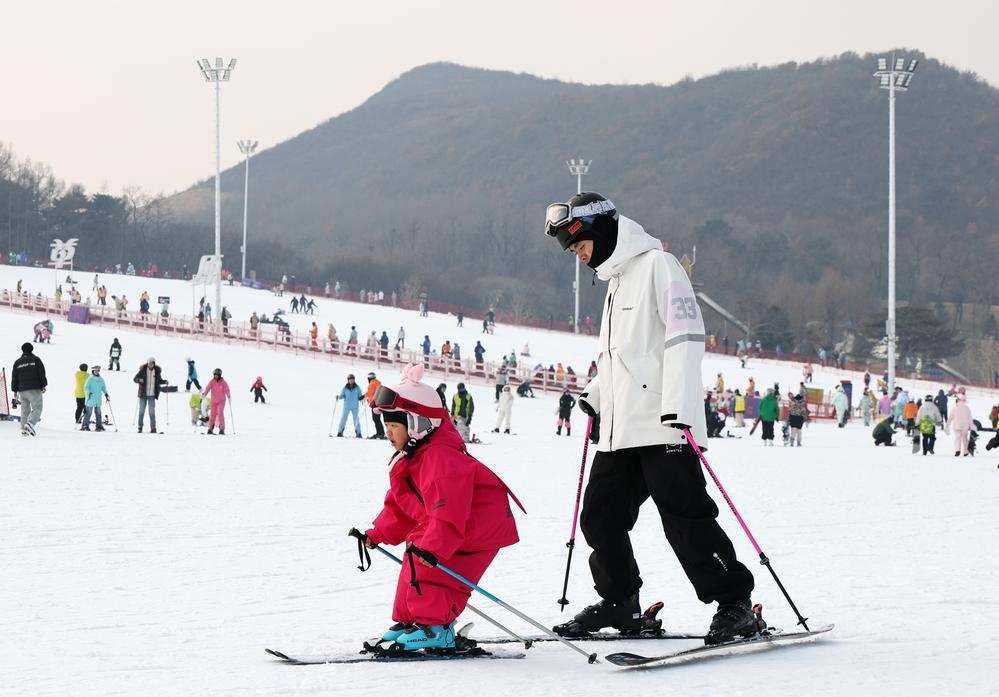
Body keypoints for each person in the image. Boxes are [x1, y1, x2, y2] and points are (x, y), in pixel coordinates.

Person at [544, 191, 755, 643]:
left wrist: (678, 405)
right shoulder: (617, 281)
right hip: (620, 429)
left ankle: (735, 604)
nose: (579, 258)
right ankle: (621, 602)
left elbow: (684, 336)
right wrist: (596, 394)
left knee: (685, 518)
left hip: (663, 422)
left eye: (579, 247)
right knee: (600, 517)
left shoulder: (659, 266)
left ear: (597, 232)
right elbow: (624, 358)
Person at [360, 363, 523, 652]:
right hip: (457, 526)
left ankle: (436, 629)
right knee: (415, 555)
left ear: (419, 425)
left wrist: (433, 547)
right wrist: (377, 533)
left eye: (395, 425)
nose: (388, 433)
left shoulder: (440, 459)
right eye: (386, 425)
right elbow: (401, 506)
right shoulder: (412, 457)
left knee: (434, 571)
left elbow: (450, 510)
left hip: (479, 529)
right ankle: (412, 621)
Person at [11, 342, 47, 435]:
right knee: (37, 408)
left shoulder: (17, 362)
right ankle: (30, 424)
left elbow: (14, 377)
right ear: (32, 349)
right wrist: (43, 385)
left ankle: (24, 429)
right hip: (34, 388)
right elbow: (41, 373)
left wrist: (15, 391)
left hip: (22, 390)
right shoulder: (36, 360)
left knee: (25, 410)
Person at [133, 357, 167, 434]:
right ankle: (140, 427)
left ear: (154, 363)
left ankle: (153, 428)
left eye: (151, 363)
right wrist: (139, 380)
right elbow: (135, 379)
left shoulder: (157, 371)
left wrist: (165, 381)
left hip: (152, 395)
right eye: (149, 363)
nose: (150, 364)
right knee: (141, 411)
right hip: (143, 395)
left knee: (152, 412)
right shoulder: (143, 370)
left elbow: (159, 381)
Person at [202, 368, 231, 435]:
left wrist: (229, 396)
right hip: (213, 401)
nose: (216, 376)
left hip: (221, 401)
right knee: (212, 415)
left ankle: (222, 429)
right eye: (215, 375)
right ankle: (210, 428)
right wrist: (204, 394)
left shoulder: (223, 382)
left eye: (217, 375)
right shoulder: (212, 381)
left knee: (220, 413)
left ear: (220, 375)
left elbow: (227, 390)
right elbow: (207, 388)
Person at [80, 365, 109, 431]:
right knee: (88, 413)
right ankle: (85, 425)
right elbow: (86, 388)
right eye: (95, 370)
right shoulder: (90, 379)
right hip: (90, 398)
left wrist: (106, 394)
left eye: (98, 370)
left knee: (98, 413)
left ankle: (99, 426)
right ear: (93, 371)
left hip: (98, 399)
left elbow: (103, 388)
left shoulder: (101, 379)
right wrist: (88, 392)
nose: (97, 372)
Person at [363, 372, 386, 440]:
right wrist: (369, 400)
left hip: (375, 404)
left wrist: (363, 396)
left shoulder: (372, 383)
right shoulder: (378, 383)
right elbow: (375, 393)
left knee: (376, 419)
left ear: (369, 378)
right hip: (379, 403)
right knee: (377, 419)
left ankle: (380, 433)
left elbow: (370, 392)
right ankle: (380, 433)